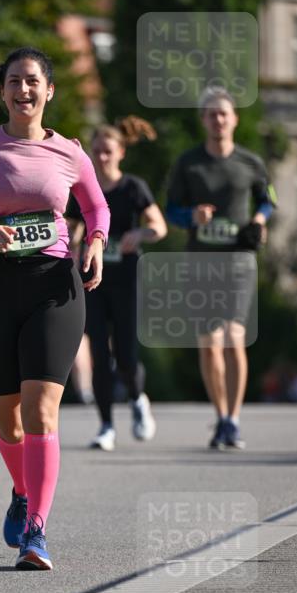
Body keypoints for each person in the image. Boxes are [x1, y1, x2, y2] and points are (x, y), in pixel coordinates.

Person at [0, 46, 109, 570]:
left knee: (41, 409)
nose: (23, 90)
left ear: (49, 91)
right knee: (9, 421)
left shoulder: (71, 151)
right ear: (3, 91)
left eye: (33, 81)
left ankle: (37, 530)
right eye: (14, 82)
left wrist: (95, 239)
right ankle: (22, 487)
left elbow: (95, 204)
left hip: (54, 284)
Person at [166, 87, 276, 450]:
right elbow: (171, 211)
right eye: (211, 114)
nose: (218, 119)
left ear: (234, 119)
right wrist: (190, 216)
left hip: (239, 262)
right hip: (201, 262)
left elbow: (268, 198)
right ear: (203, 120)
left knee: (233, 339)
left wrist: (260, 219)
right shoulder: (188, 163)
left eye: (223, 113)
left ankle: (234, 419)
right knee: (209, 344)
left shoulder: (249, 162)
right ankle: (222, 416)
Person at [67, 119, 167, 451]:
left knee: (125, 355)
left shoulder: (132, 188)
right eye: (96, 152)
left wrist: (140, 233)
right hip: (92, 282)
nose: (102, 157)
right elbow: (73, 227)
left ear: (120, 153)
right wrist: (73, 242)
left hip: (125, 280)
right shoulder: (83, 187)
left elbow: (159, 226)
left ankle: (138, 399)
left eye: (108, 152)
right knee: (98, 353)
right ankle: (106, 425)